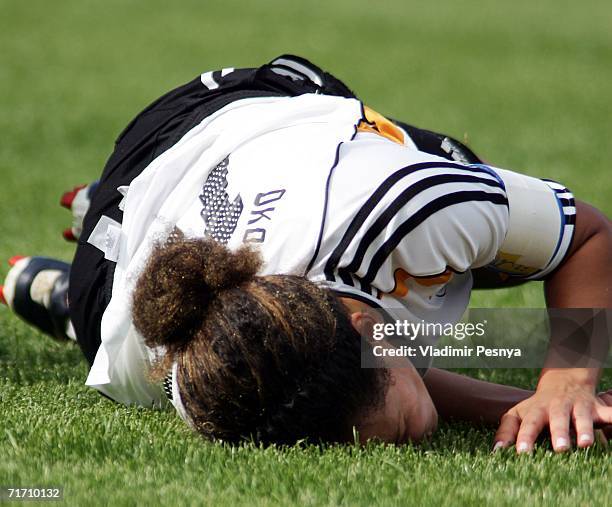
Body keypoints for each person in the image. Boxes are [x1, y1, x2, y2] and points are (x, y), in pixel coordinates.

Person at [1, 55, 611, 450]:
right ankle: (86, 257)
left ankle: (110, 215)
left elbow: (588, 236)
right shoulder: (212, 379)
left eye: (398, 429)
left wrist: (568, 382)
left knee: (487, 231)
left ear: (363, 323)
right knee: (101, 329)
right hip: (106, 289)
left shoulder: (412, 206)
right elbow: (393, 371)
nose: (410, 440)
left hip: (223, 118)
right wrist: (522, 402)